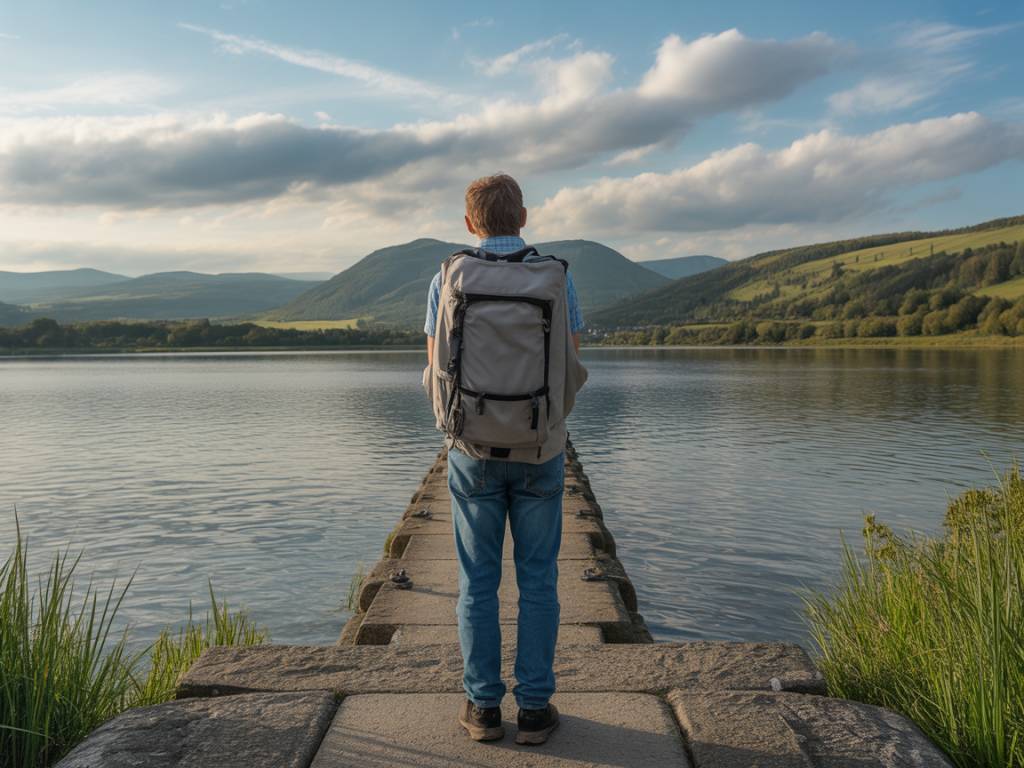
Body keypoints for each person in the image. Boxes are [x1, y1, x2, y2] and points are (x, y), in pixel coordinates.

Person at [424, 173, 586, 745]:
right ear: (524, 217)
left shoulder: (448, 275)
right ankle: (537, 710)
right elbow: (569, 365)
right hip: (540, 447)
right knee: (539, 580)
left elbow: (435, 368)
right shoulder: (556, 275)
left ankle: (484, 708)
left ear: (470, 223)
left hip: (472, 450)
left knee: (477, 582)